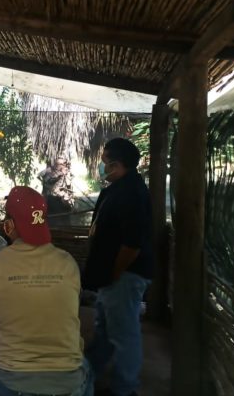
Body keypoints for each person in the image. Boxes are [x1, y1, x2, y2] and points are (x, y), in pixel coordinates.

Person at [0, 186, 93, 396]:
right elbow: (72, 308)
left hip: (10, 381)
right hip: (68, 382)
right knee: (86, 367)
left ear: (8, 226)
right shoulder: (68, 263)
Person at [83, 138, 152, 396]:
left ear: (116, 163)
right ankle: (89, 372)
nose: (101, 167)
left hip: (124, 276)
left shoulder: (132, 193)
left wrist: (114, 274)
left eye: (104, 162)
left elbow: (132, 245)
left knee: (124, 335)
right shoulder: (119, 187)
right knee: (106, 328)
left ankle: (125, 389)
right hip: (112, 277)